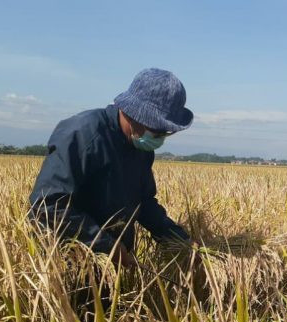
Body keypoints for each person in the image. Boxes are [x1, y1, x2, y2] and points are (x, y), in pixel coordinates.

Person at [29, 68, 194, 266]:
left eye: (165, 132)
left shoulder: (140, 146)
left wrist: (179, 239)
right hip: (67, 260)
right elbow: (48, 205)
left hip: (109, 261)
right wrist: (108, 247)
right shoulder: (82, 134)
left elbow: (144, 204)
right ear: (133, 114)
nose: (159, 138)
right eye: (156, 130)